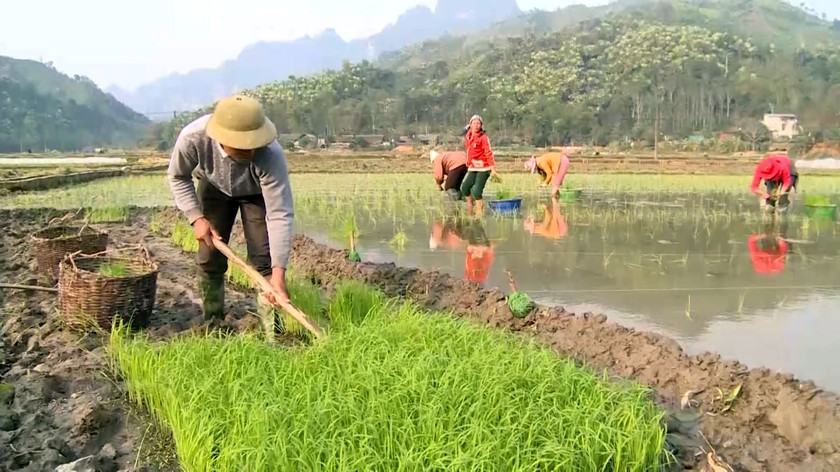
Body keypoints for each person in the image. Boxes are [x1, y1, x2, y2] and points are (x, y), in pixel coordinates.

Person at [167, 94, 294, 321]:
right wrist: (196, 218)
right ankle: (213, 321)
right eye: (242, 145)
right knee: (209, 257)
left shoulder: (270, 155)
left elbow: (279, 214)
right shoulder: (193, 138)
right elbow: (178, 176)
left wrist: (278, 273)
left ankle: (272, 331)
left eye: (253, 143)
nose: (250, 149)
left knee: (264, 261)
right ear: (221, 139)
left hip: (256, 193)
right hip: (213, 186)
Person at [460, 115, 498, 216]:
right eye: (474, 123)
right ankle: (469, 207)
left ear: (481, 126)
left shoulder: (483, 138)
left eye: (479, 124)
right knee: (464, 187)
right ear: (470, 124)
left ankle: (479, 213)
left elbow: (489, 153)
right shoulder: (468, 136)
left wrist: (493, 169)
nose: (477, 126)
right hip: (472, 167)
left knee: (476, 191)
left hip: (484, 168)